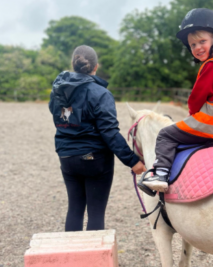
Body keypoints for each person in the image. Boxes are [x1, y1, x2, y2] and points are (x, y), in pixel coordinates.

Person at [141, 8, 213, 193]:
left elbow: (195, 100)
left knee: (166, 135)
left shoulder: (211, 65)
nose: (197, 48)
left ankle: (160, 173)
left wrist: (192, 114)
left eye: (202, 42)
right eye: (193, 45)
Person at [49, 45, 146, 231]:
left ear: (73, 64)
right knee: (95, 212)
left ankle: (73, 257)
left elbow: (58, 118)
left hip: (66, 157)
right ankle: (92, 259)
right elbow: (109, 132)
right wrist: (132, 161)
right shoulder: (101, 93)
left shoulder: (58, 91)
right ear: (96, 67)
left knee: (75, 209)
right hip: (94, 160)